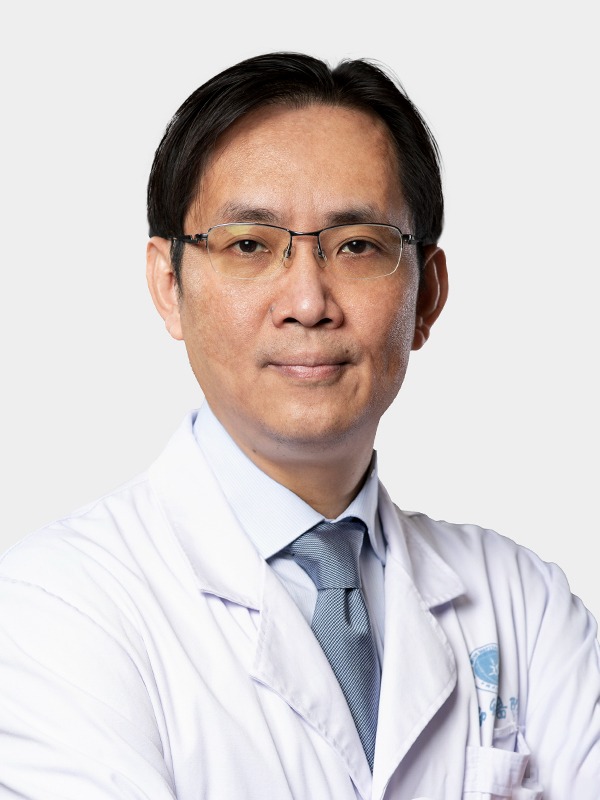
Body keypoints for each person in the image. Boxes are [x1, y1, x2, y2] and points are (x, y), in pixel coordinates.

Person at [0, 51, 598, 800]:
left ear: (428, 295)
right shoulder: (56, 609)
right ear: (168, 284)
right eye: (249, 245)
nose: (309, 303)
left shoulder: (523, 605)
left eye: (358, 246)